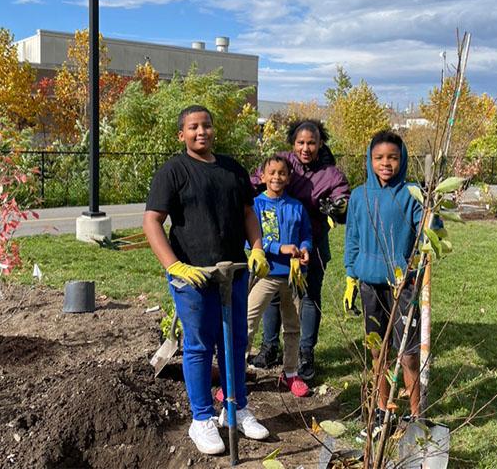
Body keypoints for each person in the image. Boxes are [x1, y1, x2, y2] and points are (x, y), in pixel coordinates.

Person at [143, 105, 271, 456]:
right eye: (193, 127)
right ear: (181, 134)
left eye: (207, 125)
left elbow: (248, 213)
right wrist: (174, 266)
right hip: (194, 275)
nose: (202, 132)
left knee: (234, 341)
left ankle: (235, 408)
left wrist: (256, 248)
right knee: (199, 345)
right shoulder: (174, 171)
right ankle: (201, 418)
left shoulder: (232, 169)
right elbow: (152, 221)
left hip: (233, 272)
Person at [251, 119, 350, 381]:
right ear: (293, 143)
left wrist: (339, 206)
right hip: (275, 249)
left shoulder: (330, 174)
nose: (305, 148)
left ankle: (306, 353)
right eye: (300, 142)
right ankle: (269, 347)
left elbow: (344, 197)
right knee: (272, 296)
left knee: (308, 298)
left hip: (311, 244)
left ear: (320, 144)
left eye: (311, 143)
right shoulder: (282, 161)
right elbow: (255, 180)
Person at [343, 130, 426, 432]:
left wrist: (433, 213)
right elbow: (352, 236)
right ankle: (381, 411)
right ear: (370, 160)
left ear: (401, 160)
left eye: (392, 157)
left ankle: (416, 415)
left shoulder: (412, 194)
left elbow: (426, 233)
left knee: (408, 354)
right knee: (378, 352)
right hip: (369, 285)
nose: (386, 163)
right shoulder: (359, 195)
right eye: (379, 158)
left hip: (403, 286)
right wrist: (351, 274)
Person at [246, 154, 312, 397]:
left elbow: (306, 234)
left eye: (282, 173)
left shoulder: (297, 206)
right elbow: (250, 239)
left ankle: (291, 373)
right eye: (271, 172)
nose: (276, 177)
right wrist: (277, 248)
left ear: (289, 177)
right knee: (248, 321)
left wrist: (305, 248)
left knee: (293, 325)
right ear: (262, 176)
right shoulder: (256, 205)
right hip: (266, 274)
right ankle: (237, 372)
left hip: (294, 276)